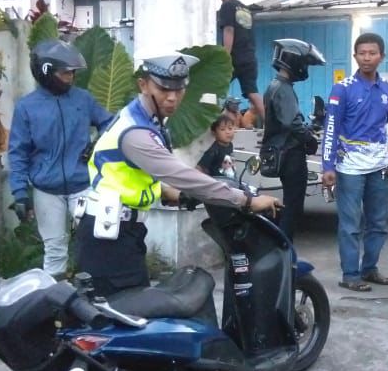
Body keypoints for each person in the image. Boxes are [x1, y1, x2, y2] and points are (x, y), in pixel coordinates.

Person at [75, 53, 281, 296]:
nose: (172, 97)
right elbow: (180, 174)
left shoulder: (146, 119)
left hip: (123, 231)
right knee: (125, 313)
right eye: (163, 89)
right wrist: (246, 201)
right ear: (143, 85)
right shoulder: (136, 132)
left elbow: (130, 176)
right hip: (109, 240)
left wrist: (173, 195)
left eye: (179, 89)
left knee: (135, 308)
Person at [321, 32, 388, 291]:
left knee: (378, 224)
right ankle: (350, 275)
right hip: (350, 168)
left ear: (382, 56)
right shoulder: (342, 89)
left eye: (372, 53)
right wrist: (328, 166)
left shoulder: (386, 90)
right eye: (362, 53)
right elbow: (331, 128)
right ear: (355, 56)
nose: (367, 58)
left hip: (380, 166)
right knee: (350, 226)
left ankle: (370, 269)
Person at [8, 39, 112, 278]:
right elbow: (18, 152)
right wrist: (20, 193)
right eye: (65, 73)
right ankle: (56, 296)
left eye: (73, 73)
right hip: (46, 190)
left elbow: (110, 124)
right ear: (46, 72)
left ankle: (96, 292)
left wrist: (97, 145)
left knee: (96, 242)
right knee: (54, 249)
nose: (71, 77)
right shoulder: (27, 107)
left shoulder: (83, 99)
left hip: (82, 184)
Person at [262, 39, 325, 240]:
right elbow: (292, 123)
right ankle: (284, 246)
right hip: (290, 154)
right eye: (304, 63)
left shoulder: (275, 86)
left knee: (290, 203)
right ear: (294, 61)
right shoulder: (283, 88)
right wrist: (309, 139)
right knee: (293, 206)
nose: (305, 68)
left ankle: (282, 244)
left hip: (283, 152)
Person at [218, 0, 265, 124]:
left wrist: (224, 58)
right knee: (253, 93)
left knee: (214, 87)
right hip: (250, 58)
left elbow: (229, 30)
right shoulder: (246, 9)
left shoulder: (227, 6)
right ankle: (270, 126)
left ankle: (210, 125)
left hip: (234, 58)